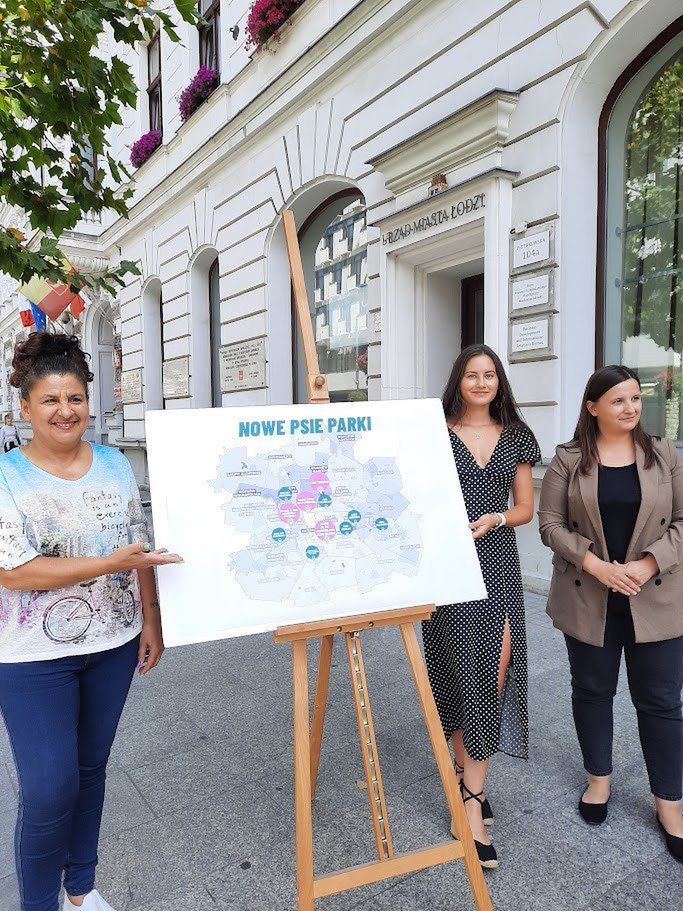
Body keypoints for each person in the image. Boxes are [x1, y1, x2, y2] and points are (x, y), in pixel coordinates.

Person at [0, 332, 182, 911]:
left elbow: (138, 547)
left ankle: (79, 889)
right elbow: (17, 572)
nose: (64, 411)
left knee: (90, 770)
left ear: (89, 403)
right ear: (24, 407)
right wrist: (112, 563)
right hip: (29, 657)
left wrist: (150, 619)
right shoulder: (6, 477)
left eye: (75, 398)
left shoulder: (114, 466)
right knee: (49, 787)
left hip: (114, 641)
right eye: (50, 400)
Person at [538, 365, 682, 862]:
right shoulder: (569, 459)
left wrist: (645, 565)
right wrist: (597, 565)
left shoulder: (664, 455)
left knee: (662, 701)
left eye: (636, 399)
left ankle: (669, 801)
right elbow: (550, 525)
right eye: (618, 400)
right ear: (592, 406)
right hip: (589, 595)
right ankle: (598, 780)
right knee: (593, 692)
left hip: (656, 596)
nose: (630, 408)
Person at [422, 344, 540, 869]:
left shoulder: (515, 435)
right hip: (447, 567)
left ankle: (471, 798)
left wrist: (496, 519)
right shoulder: (433, 431)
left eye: (490, 374)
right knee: (452, 670)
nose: (482, 382)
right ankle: (464, 779)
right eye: (472, 374)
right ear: (458, 380)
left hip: (497, 564)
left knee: (492, 674)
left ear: (499, 382)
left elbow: (525, 509)